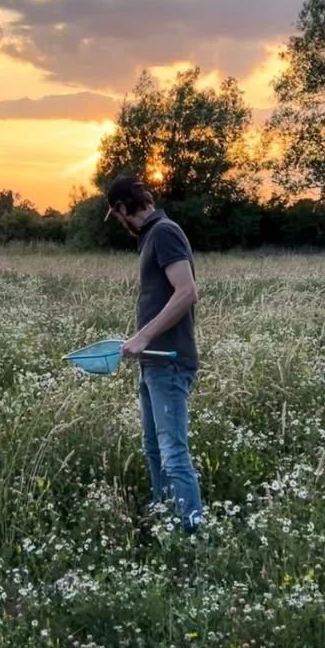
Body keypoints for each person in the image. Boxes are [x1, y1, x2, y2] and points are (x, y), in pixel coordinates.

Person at [104, 176, 203, 531]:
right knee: (154, 450)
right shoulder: (152, 237)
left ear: (121, 208)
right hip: (153, 363)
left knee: (174, 455)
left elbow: (187, 292)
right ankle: (163, 519)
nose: (119, 224)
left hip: (170, 362)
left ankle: (191, 535)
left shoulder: (164, 232)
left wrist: (143, 337)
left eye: (116, 216)